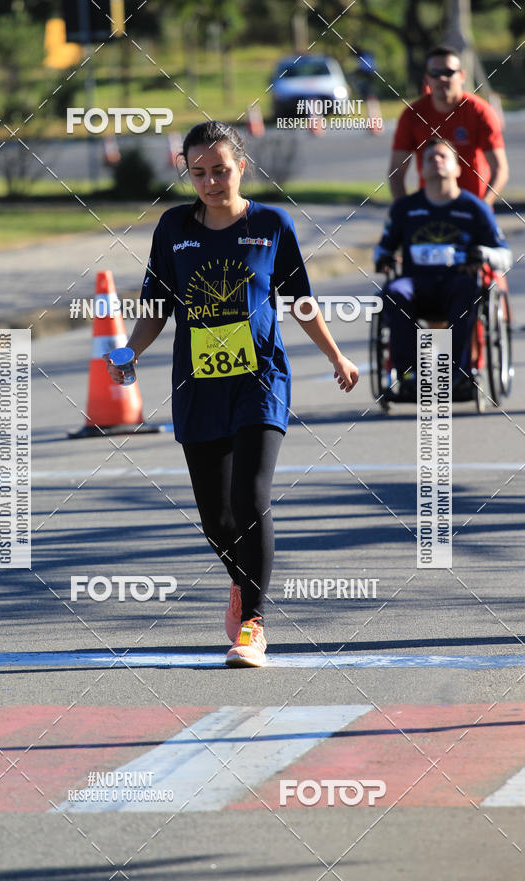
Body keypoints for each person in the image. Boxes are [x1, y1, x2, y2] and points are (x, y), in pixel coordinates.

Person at [105, 120, 359, 668]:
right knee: (216, 519)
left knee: (250, 495)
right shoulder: (173, 228)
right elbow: (158, 304)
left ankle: (253, 626)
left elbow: (299, 299)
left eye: (221, 170)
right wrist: (129, 352)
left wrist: (336, 355)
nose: (211, 182)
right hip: (198, 385)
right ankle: (244, 584)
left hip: (260, 379)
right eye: (199, 173)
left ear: (241, 165)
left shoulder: (272, 224)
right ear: (187, 173)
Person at [375, 137, 511, 398]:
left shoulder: (475, 209)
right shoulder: (405, 208)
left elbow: (504, 255)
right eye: (429, 158)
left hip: (458, 282)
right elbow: (384, 248)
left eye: (442, 157)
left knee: (469, 289)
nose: (436, 161)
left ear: (457, 168)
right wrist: (383, 259)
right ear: (421, 170)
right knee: (394, 291)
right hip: (417, 283)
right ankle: (408, 374)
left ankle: (457, 373)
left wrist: (481, 254)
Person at [388, 45, 508, 207]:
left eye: (448, 72)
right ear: (427, 78)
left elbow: (500, 169)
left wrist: (483, 207)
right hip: (430, 212)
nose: (442, 79)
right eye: (435, 74)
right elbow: (396, 172)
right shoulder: (412, 115)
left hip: (472, 209)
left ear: (462, 75)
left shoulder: (480, 111)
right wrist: (403, 211)